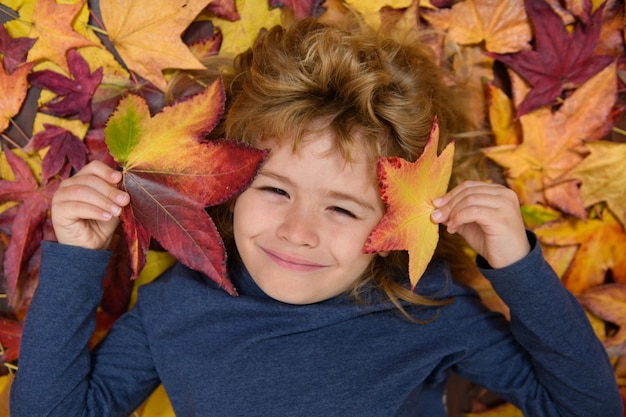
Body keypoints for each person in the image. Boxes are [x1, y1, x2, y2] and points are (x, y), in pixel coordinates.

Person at [10, 15, 622, 417]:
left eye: (342, 207)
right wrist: (77, 259)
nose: (297, 232)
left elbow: (585, 408)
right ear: (230, 188)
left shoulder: (427, 307)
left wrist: (517, 268)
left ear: (394, 222)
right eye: (274, 191)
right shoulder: (178, 307)